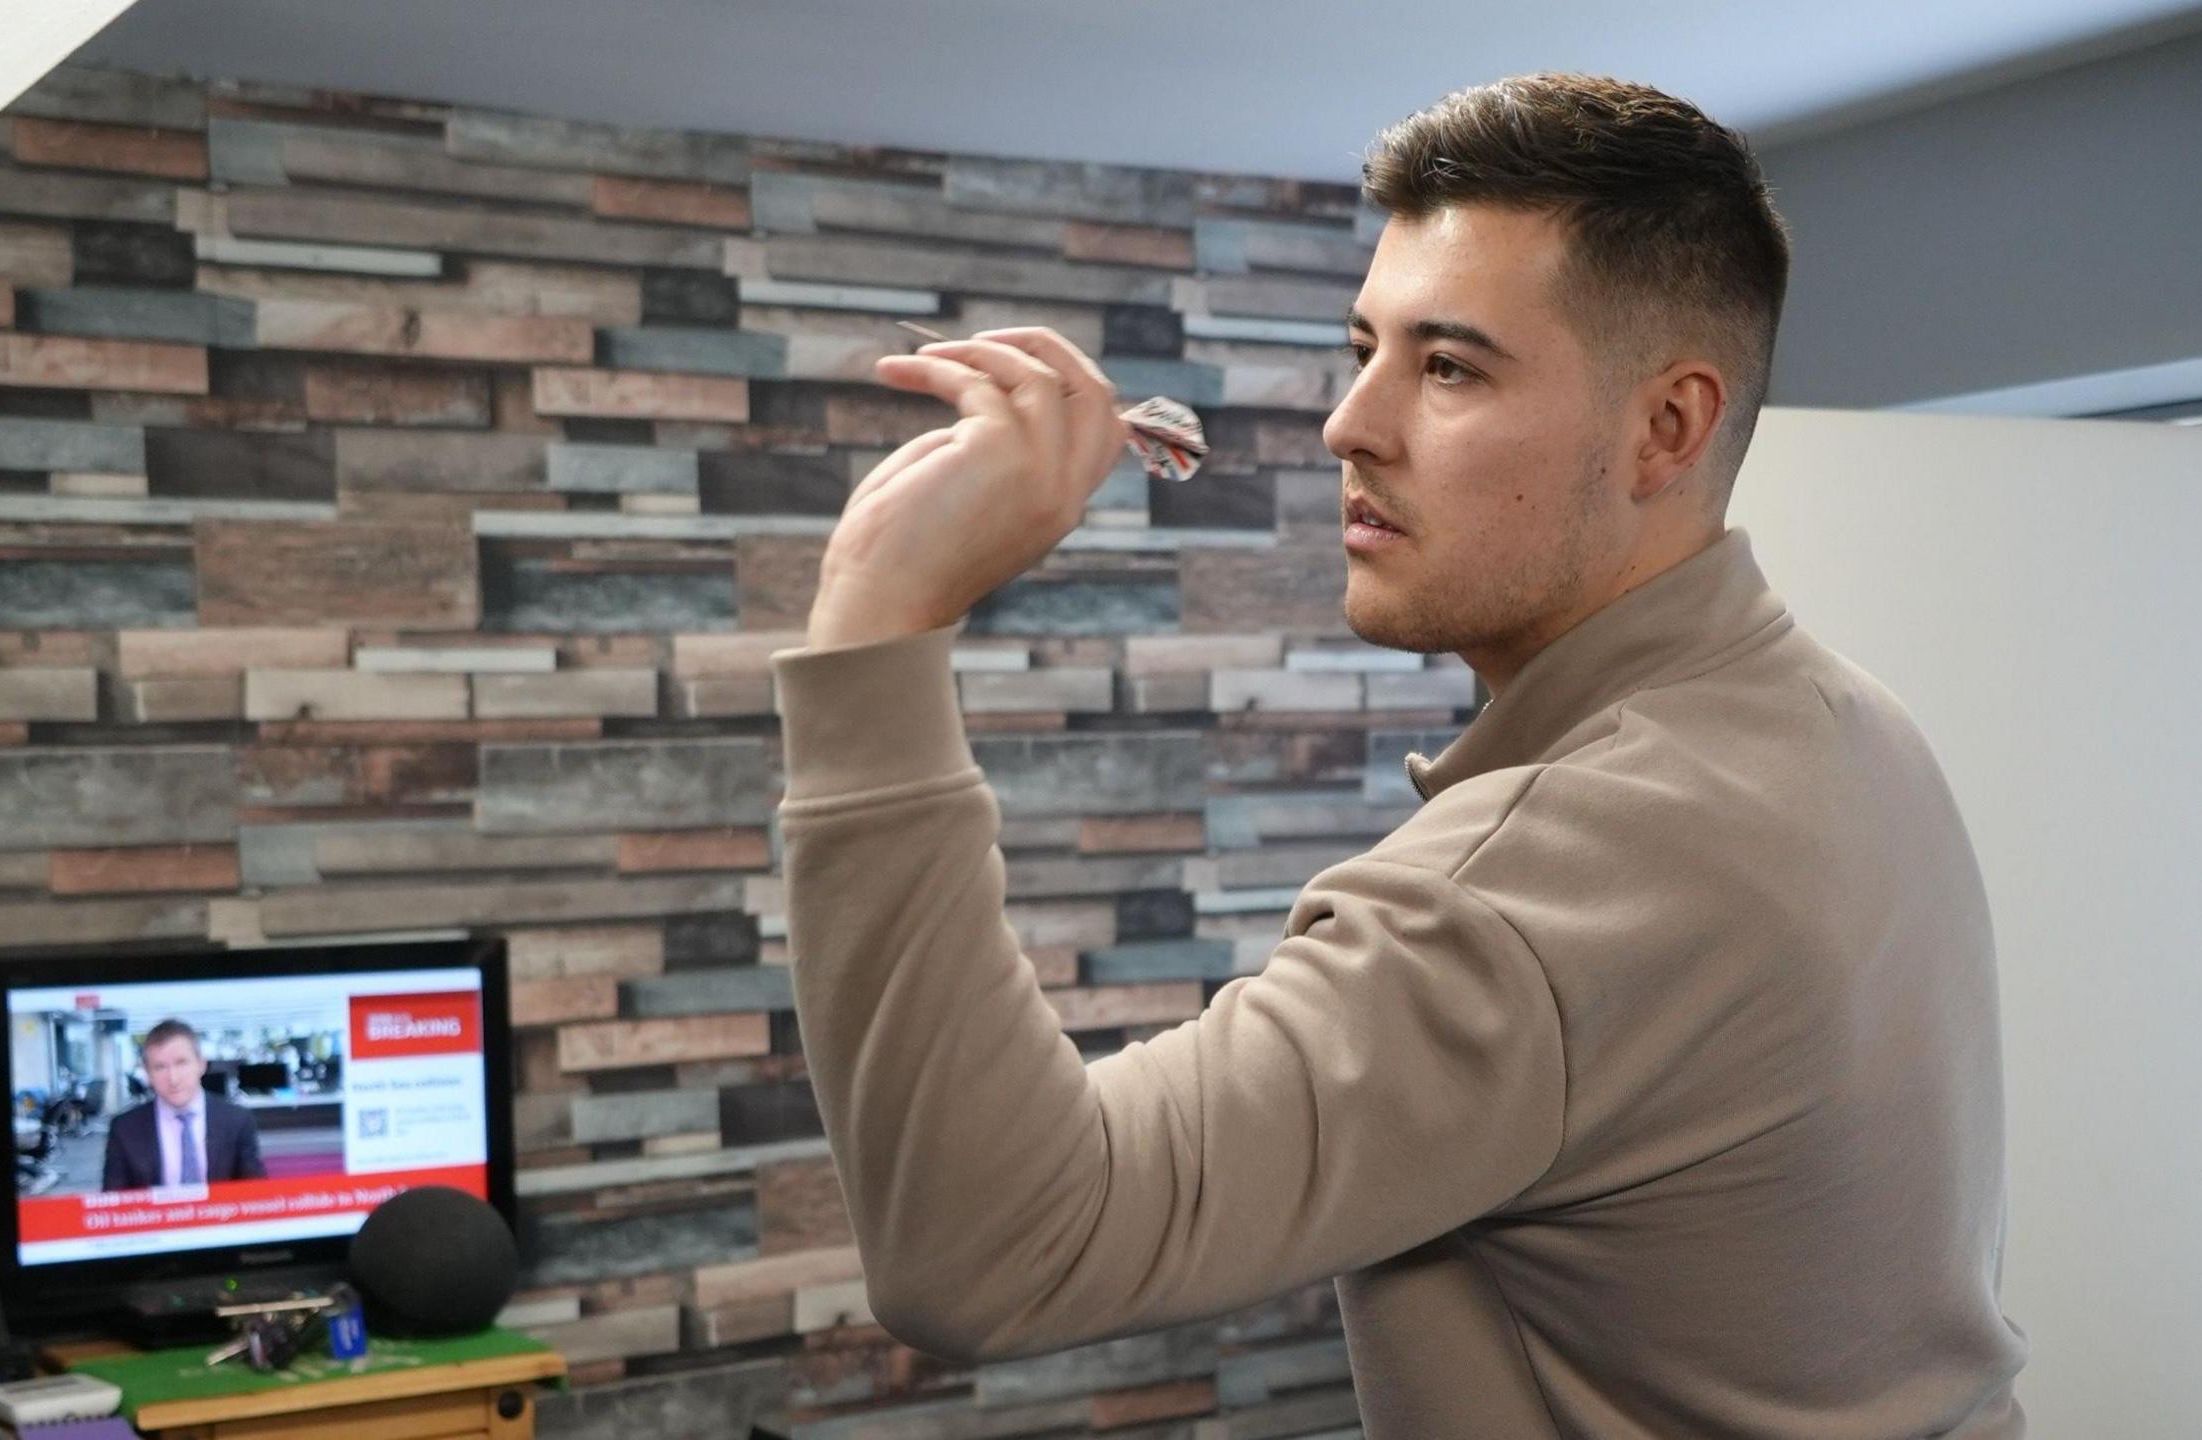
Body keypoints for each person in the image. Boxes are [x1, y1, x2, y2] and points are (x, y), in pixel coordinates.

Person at [764, 72, 2029, 1439]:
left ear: (1667, 428)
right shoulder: (1849, 723)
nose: (1350, 425)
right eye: (1363, 346)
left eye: (1448, 366)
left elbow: (990, 1243)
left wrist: (876, 627)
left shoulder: (1548, 880)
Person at [100, 1019, 267, 1191]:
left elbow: (254, 1193)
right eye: (160, 1067)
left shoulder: (237, 1121)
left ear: (201, 1065)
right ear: (148, 1073)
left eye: (181, 1063)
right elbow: (113, 1204)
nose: (173, 1078)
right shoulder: (124, 1128)